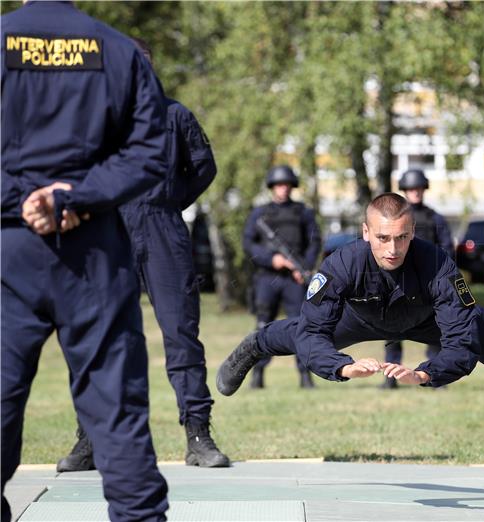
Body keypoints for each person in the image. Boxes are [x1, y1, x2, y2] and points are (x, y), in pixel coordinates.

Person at [217, 193, 484, 458]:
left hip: (427, 320)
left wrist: (427, 373)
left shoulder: (437, 263)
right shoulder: (341, 263)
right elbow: (312, 335)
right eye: (382, 238)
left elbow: (461, 341)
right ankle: (254, 346)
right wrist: (342, 367)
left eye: (401, 237)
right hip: (362, 315)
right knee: (293, 333)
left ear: (412, 231)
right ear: (365, 233)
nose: (392, 248)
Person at [1, 2, 169, 521]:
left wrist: (24, 200)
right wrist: (74, 198)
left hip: (8, 249)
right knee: (116, 412)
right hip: (94, 250)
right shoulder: (117, 49)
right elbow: (150, 153)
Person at [56, 38, 229, 473]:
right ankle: (90, 439)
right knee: (100, 337)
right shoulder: (96, 120)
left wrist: (169, 202)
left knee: (181, 335)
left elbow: (203, 167)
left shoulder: (175, 116)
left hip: (162, 230)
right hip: (108, 232)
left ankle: (198, 436)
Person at [243, 165, 321, 389]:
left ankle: (305, 376)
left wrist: (303, 267)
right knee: (262, 325)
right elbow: (248, 243)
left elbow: (314, 241)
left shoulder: (302, 212)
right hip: (268, 278)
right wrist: (271, 259)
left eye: (286, 185)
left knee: (301, 326)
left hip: (294, 280)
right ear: (272, 187)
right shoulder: (260, 213)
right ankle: (257, 375)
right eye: (279, 185)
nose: (283, 189)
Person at [382, 169, 455, 389]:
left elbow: (447, 250)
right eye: (411, 189)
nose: (415, 193)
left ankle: (434, 376)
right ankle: (390, 378)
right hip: (398, 282)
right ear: (404, 191)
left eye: (419, 189)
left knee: (435, 331)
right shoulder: (394, 218)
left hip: (428, 283)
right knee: (392, 331)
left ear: (424, 190)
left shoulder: (435, 218)